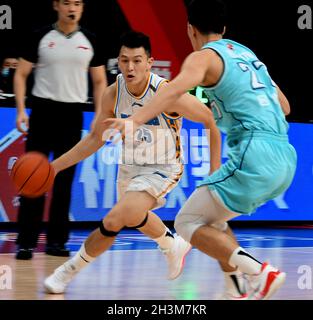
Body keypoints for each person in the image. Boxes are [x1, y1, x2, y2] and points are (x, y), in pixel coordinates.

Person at [105, 0, 297, 300]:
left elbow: (170, 91)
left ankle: (261, 273)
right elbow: (284, 106)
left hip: (253, 152)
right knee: (212, 218)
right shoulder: (247, 54)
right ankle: (236, 289)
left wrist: (134, 120)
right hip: (286, 155)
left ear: (190, 30)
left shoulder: (202, 58)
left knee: (185, 222)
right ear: (224, 28)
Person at [43, 31, 221, 294]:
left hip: (163, 167)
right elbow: (95, 139)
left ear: (150, 62)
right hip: (130, 165)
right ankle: (171, 245)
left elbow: (208, 119)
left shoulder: (166, 93)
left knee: (116, 218)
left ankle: (66, 273)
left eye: (137, 60)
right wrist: (54, 167)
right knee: (135, 216)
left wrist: (213, 171)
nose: (130, 67)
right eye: (124, 60)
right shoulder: (113, 93)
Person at [14, 0, 107, 260]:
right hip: (42, 112)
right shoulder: (41, 36)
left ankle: (56, 242)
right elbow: (21, 74)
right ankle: (26, 242)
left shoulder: (90, 40)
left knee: (63, 182)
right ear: (56, 5)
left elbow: (100, 81)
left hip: (72, 114)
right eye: (67, 2)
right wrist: (21, 110)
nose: (72, 8)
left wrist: (99, 117)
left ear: (83, 8)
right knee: (33, 179)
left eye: (77, 3)